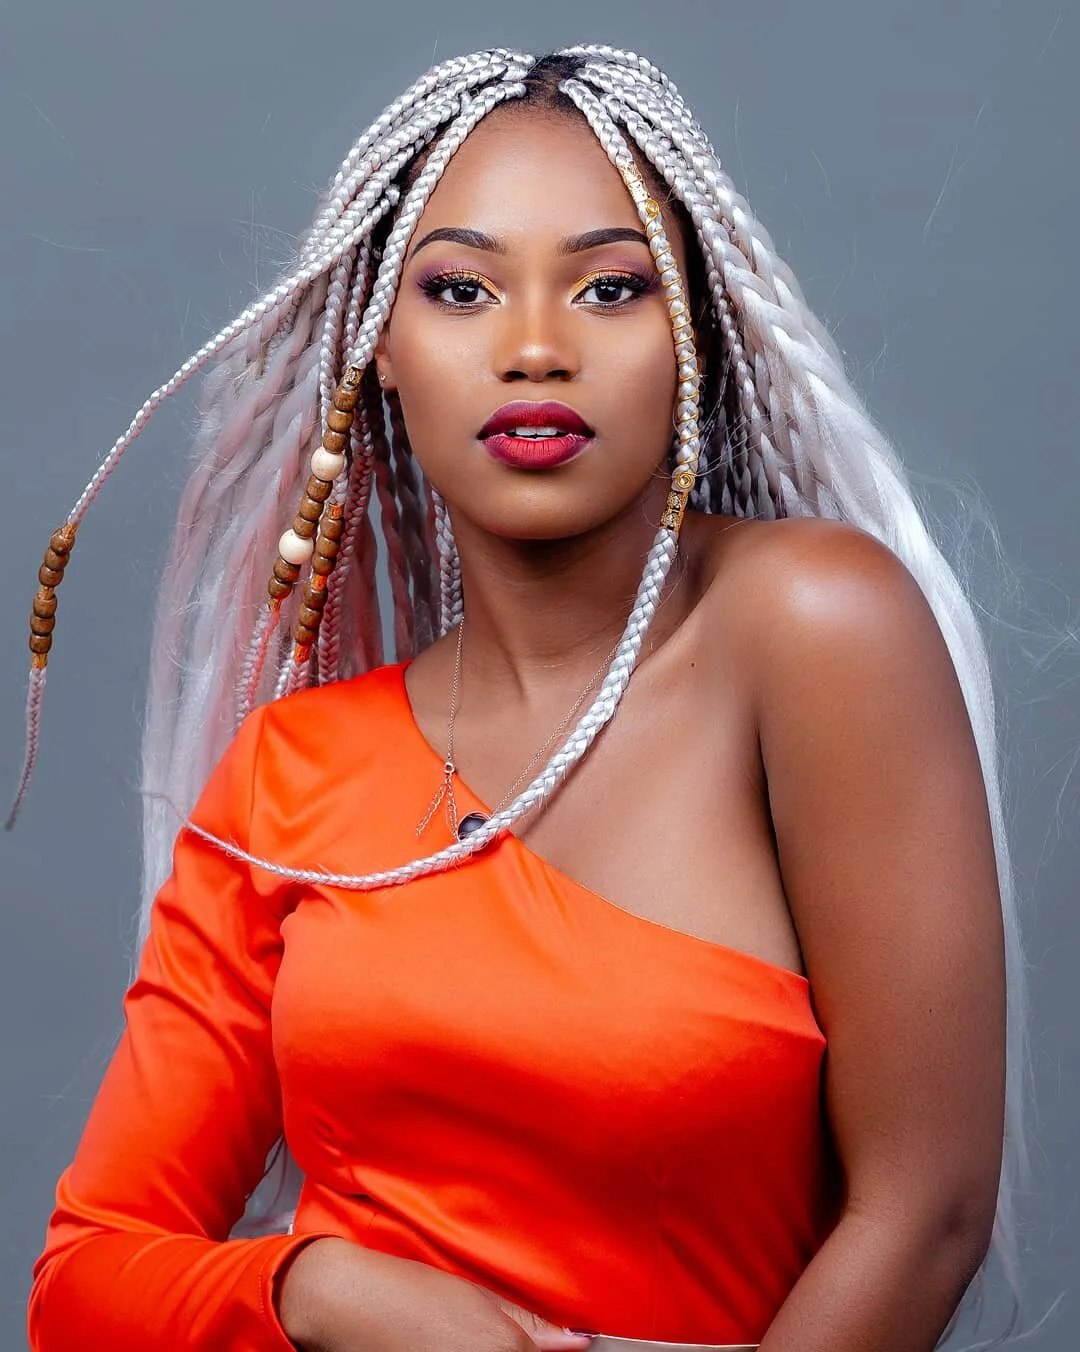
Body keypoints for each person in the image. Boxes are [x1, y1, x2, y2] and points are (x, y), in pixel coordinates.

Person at [16, 45, 1023, 1352]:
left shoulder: (811, 627)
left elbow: (925, 1211)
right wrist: (323, 1292)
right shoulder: (292, 771)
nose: (536, 348)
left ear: (695, 333)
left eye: (611, 287)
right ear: (383, 345)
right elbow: (86, 1285)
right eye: (461, 289)